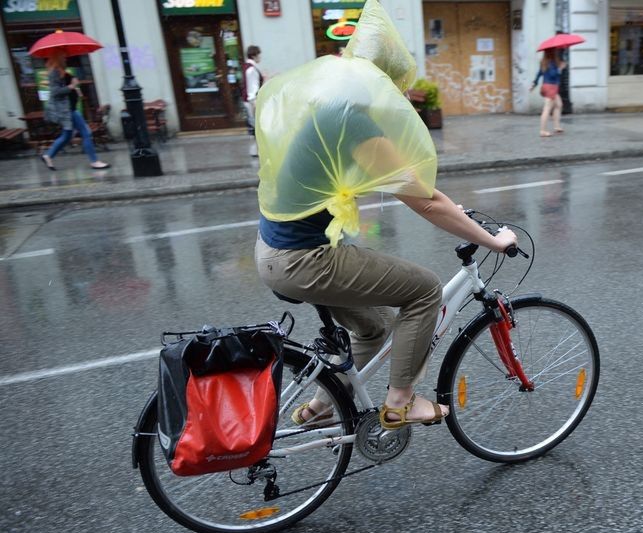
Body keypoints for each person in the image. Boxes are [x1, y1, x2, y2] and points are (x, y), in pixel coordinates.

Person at [254, 0, 517, 429]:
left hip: (275, 251)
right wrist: (494, 240)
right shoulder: (353, 122)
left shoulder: (325, 111)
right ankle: (401, 402)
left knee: (374, 329)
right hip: (306, 260)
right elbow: (424, 200)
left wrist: (454, 207)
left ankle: (319, 407)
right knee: (425, 291)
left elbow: (407, 181)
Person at [39, 51, 109, 171]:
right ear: (58, 57)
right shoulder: (54, 72)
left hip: (70, 108)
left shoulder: (62, 71)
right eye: (63, 56)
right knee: (86, 132)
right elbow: (55, 92)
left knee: (66, 136)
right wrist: (71, 87)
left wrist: (75, 89)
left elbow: (67, 86)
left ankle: (48, 155)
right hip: (67, 110)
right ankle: (94, 161)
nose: (66, 58)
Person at [530, 47, 567, 137]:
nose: (557, 53)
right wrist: (560, 69)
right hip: (551, 87)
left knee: (558, 105)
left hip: (549, 86)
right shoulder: (551, 63)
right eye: (555, 51)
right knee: (547, 108)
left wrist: (534, 84)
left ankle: (556, 126)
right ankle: (542, 131)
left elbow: (539, 74)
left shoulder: (545, 62)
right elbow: (553, 74)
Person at [242, 45, 263, 157]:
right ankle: (255, 150)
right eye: (259, 54)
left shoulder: (248, 67)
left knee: (253, 126)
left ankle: (255, 150)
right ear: (254, 55)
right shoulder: (251, 69)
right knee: (254, 126)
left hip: (249, 101)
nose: (260, 57)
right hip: (251, 101)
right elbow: (252, 88)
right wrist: (254, 102)